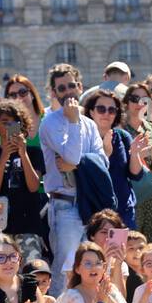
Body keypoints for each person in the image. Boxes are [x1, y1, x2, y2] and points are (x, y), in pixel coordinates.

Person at [39, 63, 106, 284]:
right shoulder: (50, 123)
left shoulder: (90, 123)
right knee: (65, 267)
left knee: (95, 265)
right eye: (61, 88)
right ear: (54, 92)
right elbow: (72, 156)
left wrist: (77, 165)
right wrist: (74, 121)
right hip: (65, 203)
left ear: (79, 86)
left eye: (71, 85)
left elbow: (101, 161)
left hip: (90, 202)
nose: (67, 92)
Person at [0, 100, 49, 264]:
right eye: (5, 122)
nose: (10, 126)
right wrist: (4, 156)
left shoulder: (33, 153)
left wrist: (23, 154)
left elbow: (34, 186)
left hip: (27, 225)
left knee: (31, 271)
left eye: (14, 123)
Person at [84, 87, 149, 231]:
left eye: (111, 110)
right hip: (94, 212)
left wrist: (135, 153)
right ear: (91, 112)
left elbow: (135, 175)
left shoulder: (122, 136)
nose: (106, 113)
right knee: (97, 253)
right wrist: (105, 152)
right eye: (101, 109)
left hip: (123, 211)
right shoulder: (84, 138)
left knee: (125, 252)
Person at [122, 82, 152, 247]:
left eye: (145, 100)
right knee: (131, 246)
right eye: (134, 99)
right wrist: (145, 152)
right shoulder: (119, 129)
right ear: (126, 103)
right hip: (129, 196)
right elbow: (122, 163)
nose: (140, 104)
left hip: (151, 194)